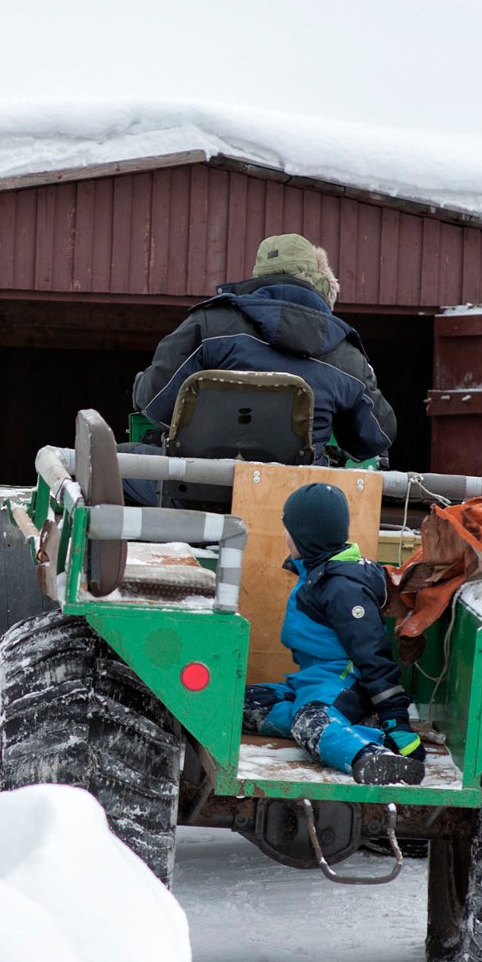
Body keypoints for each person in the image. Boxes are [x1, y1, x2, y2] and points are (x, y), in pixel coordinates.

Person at [132, 233, 398, 464]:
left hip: (203, 489)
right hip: (296, 499)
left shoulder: (207, 325)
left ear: (258, 274)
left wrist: (141, 382)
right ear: (314, 279)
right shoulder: (346, 354)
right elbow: (375, 438)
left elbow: (154, 402)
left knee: (110, 461)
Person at [244, 482, 425, 787]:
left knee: (310, 722)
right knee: (242, 702)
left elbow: (372, 653)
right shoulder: (318, 573)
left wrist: (396, 718)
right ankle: (340, 727)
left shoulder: (343, 588)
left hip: (344, 685)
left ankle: (368, 755)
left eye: (289, 528)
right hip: (313, 682)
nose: (285, 535)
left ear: (307, 536)